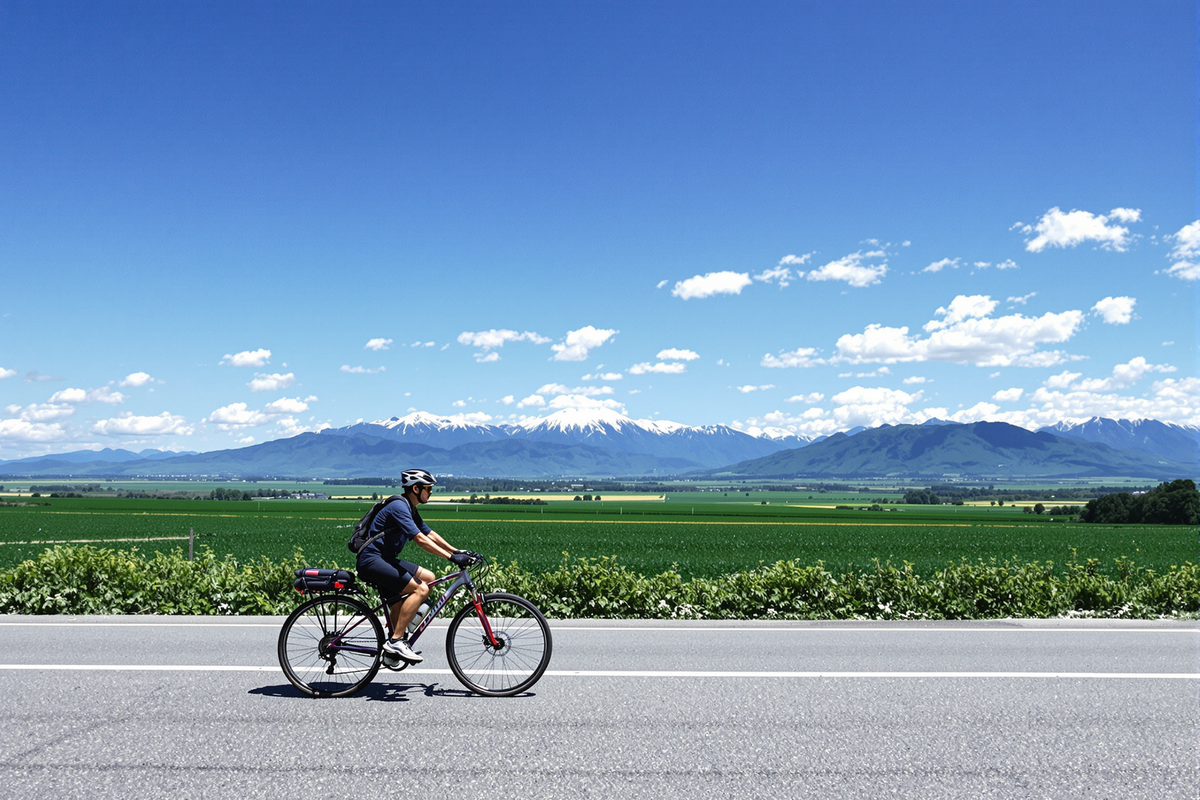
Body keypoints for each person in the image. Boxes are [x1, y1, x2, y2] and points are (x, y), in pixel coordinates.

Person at [355, 469, 476, 664]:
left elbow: (429, 534)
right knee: (421, 589)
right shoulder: (399, 507)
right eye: (428, 488)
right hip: (373, 561)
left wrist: (456, 551)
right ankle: (396, 641)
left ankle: (394, 640)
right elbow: (420, 539)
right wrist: (450, 558)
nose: (431, 492)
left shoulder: (409, 508)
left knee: (429, 577)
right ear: (416, 488)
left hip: (385, 560)